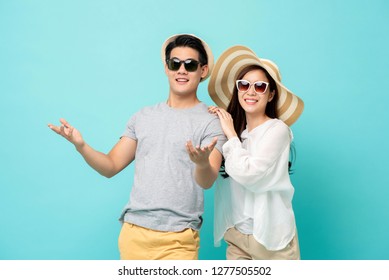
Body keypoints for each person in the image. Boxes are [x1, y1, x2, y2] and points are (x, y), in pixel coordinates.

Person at [48, 34, 226, 260]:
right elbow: (110, 166)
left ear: (202, 70)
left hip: (179, 239)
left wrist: (201, 163)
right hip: (134, 235)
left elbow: (207, 180)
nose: (181, 70)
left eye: (190, 65)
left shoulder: (211, 121)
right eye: (175, 63)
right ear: (166, 68)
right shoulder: (142, 117)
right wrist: (81, 146)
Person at [207, 45, 304, 260]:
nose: (251, 91)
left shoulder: (277, 130)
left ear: (270, 95)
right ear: (237, 90)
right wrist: (215, 124)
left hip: (272, 240)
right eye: (244, 85)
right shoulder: (235, 134)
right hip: (237, 237)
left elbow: (250, 174)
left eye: (260, 86)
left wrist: (230, 133)